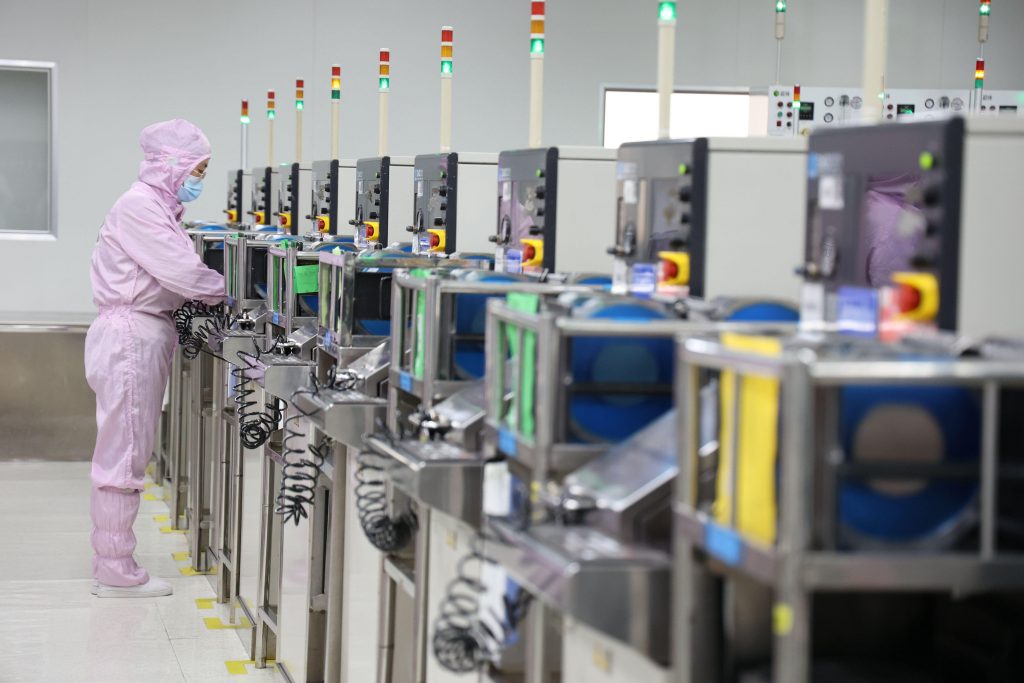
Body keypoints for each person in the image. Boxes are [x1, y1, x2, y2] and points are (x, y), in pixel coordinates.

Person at [86, 119, 225, 598]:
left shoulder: (157, 208)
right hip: (130, 338)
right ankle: (115, 571)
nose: (199, 181)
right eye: (198, 170)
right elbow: (182, 271)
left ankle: (116, 562)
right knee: (123, 454)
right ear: (174, 165)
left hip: (139, 333)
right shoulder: (140, 207)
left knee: (127, 448)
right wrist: (228, 292)